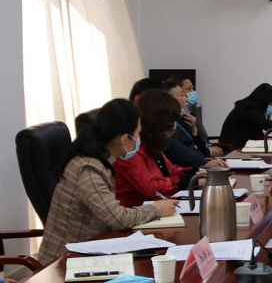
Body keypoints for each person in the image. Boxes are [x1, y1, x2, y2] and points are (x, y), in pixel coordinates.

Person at [35, 99, 177, 265]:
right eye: (137, 134)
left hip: (90, 250)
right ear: (125, 139)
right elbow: (118, 219)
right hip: (63, 262)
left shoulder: (100, 161)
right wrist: (156, 209)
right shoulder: (88, 169)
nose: (139, 140)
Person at [115, 89, 217, 206]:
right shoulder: (131, 149)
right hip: (137, 211)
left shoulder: (152, 143)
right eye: (170, 124)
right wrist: (184, 181)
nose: (172, 128)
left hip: (161, 206)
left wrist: (198, 172)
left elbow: (172, 170)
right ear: (157, 123)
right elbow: (151, 188)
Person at [161, 80, 228, 170]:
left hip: (201, 164)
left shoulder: (186, 119)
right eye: (182, 95)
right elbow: (181, 154)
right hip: (194, 169)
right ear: (169, 100)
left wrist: (195, 131)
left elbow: (195, 148)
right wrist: (205, 162)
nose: (186, 99)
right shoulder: (170, 126)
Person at [220, 83, 272, 149]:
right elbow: (265, 124)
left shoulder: (252, 107)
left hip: (242, 146)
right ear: (264, 101)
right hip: (231, 149)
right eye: (271, 104)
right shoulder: (247, 108)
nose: (271, 107)